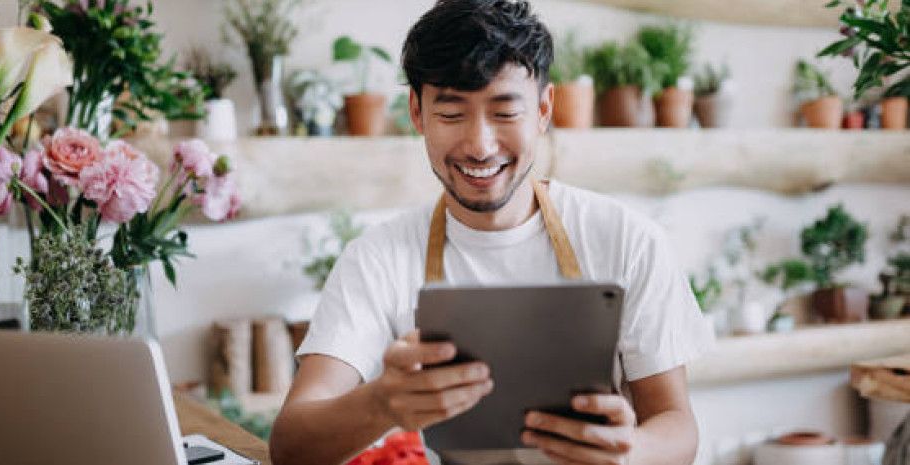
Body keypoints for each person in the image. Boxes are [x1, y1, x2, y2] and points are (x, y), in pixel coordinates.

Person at [269, 1, 713, 464]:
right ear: (417, 113)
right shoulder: (377, 259)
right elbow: (289, 445)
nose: (480, 146)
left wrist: (629, 452)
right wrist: (380, 404)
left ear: (543, 109)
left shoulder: (628, 240)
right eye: (451, 114)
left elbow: (677, 425)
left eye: (505, 113)